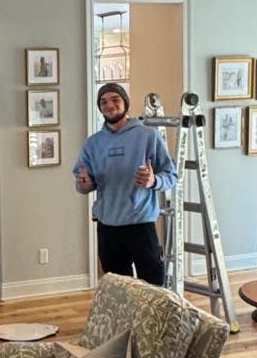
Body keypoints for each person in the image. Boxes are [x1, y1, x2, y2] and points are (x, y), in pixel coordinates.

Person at [73, 82, 178, 285]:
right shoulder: (93, 143)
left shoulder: (148, 136)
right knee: (118, 289)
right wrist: (84, 183)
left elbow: (171, 176)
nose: (109, 105)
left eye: (115, 99)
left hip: (140, 224)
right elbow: (83, 183)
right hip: (107, 226)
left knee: (154, 287)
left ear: (125, 103)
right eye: (103, 102)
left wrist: (153, 180)